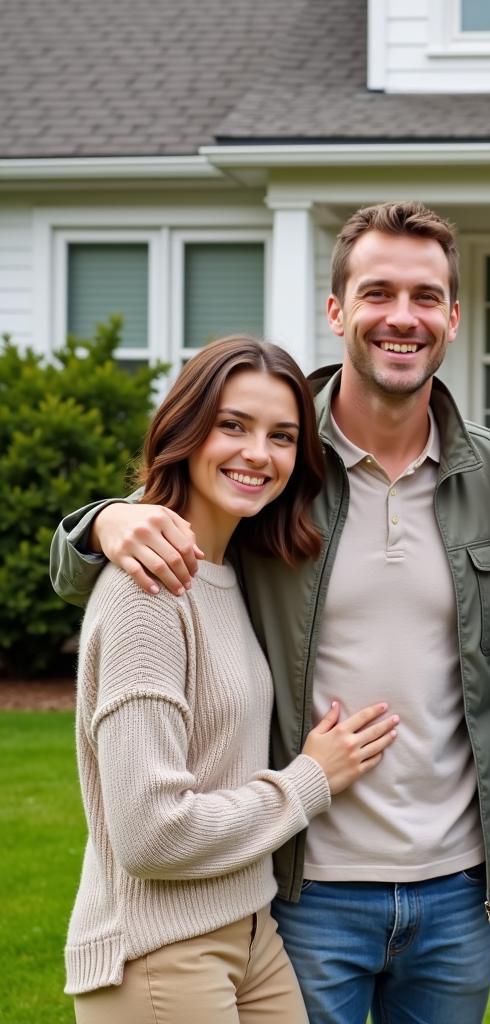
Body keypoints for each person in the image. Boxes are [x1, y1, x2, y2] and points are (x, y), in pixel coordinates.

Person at [51, 202, 490, 1024]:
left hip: (456, 890)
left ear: (452, 316)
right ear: (336, 311)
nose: (400, 317)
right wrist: (101, 522)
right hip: (305, 886)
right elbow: (145, 550)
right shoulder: (289, 469)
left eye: (424, 296)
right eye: (376, 293)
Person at [67, 336, 403, 1022]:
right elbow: (150, 833)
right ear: (185, 431)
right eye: (233, 426)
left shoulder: (226, 568)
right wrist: (310, 778)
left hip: (250, 934)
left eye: (282, 436)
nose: (259, 453)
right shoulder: (148, 594)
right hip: (161, 953)